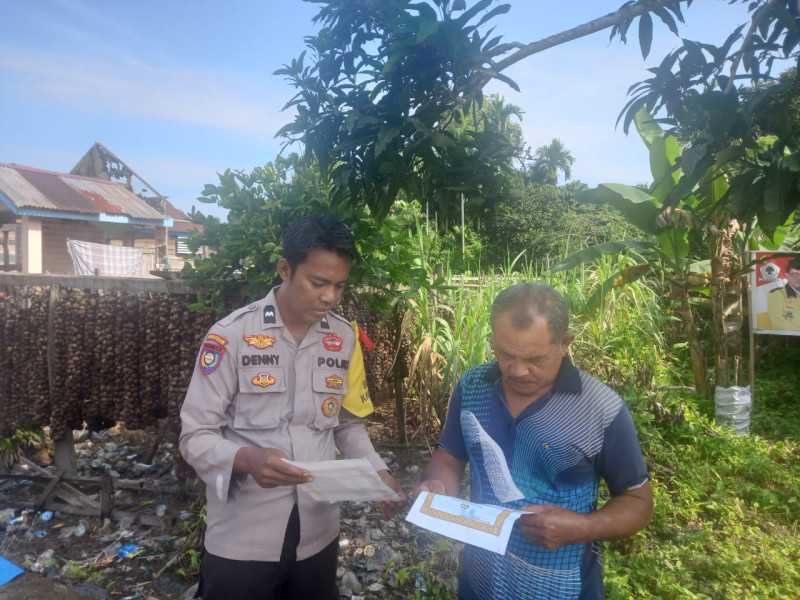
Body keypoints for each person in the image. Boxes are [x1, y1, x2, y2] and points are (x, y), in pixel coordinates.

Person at [179, 214, 406, 600]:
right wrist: (247, 459)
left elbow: (347, 425)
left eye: (339, 285)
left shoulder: (343, 338)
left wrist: (378, 472)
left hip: (318, 534)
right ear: (285, 269)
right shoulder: (231, 336)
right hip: (242, 538)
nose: (330, 297)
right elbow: (195, 436)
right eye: (318, 283)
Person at [413, 283, 653, 600]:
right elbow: (449, 458)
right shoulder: (472, 386)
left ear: (564, 344)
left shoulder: (600, 408)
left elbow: (638, 503)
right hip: (481, 579)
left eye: (535, 359)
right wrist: (438, 487)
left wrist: (582, 527)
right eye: (505, 354)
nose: (518, 370)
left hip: (561, 586)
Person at [766, 257, 800, 331]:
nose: (799, 278)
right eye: (795, 274)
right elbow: (779, 323)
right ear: (787, 276)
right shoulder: (776, 294)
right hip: (787, 339)